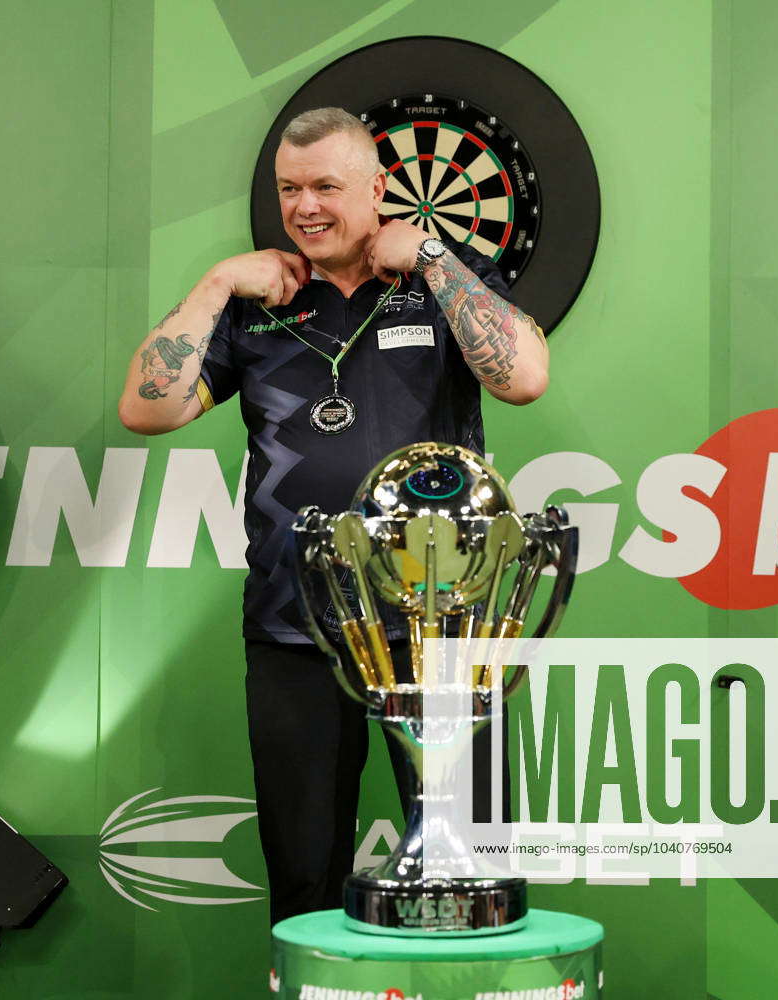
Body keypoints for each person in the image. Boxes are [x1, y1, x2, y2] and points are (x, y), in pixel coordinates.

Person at [118, 107, 549, 926]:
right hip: (297, 631)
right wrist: (213, 284)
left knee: (458, 878)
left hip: (437, 634)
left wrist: (430, 254)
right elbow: (146, 411)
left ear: (379, 190)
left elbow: (523, 376)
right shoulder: (253, 303)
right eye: (289, 189)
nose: (304, 207)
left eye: (325, 186)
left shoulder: (441, 277)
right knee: (303, 883)